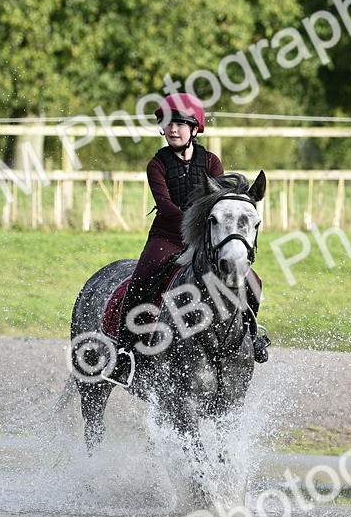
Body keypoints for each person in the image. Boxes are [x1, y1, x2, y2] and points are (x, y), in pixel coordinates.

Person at [106, 93, 268, 386]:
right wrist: (191, 220)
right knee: (140, 281)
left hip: (207, 237)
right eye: (168, 123)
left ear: (194, 129)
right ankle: (124, 351)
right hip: (168, 235)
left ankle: (253, 335)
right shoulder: (157, 164)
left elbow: (219, 199)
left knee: (252, 281)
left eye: (181, 124)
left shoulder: (210, 161)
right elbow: (165, 205)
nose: (173, 129)